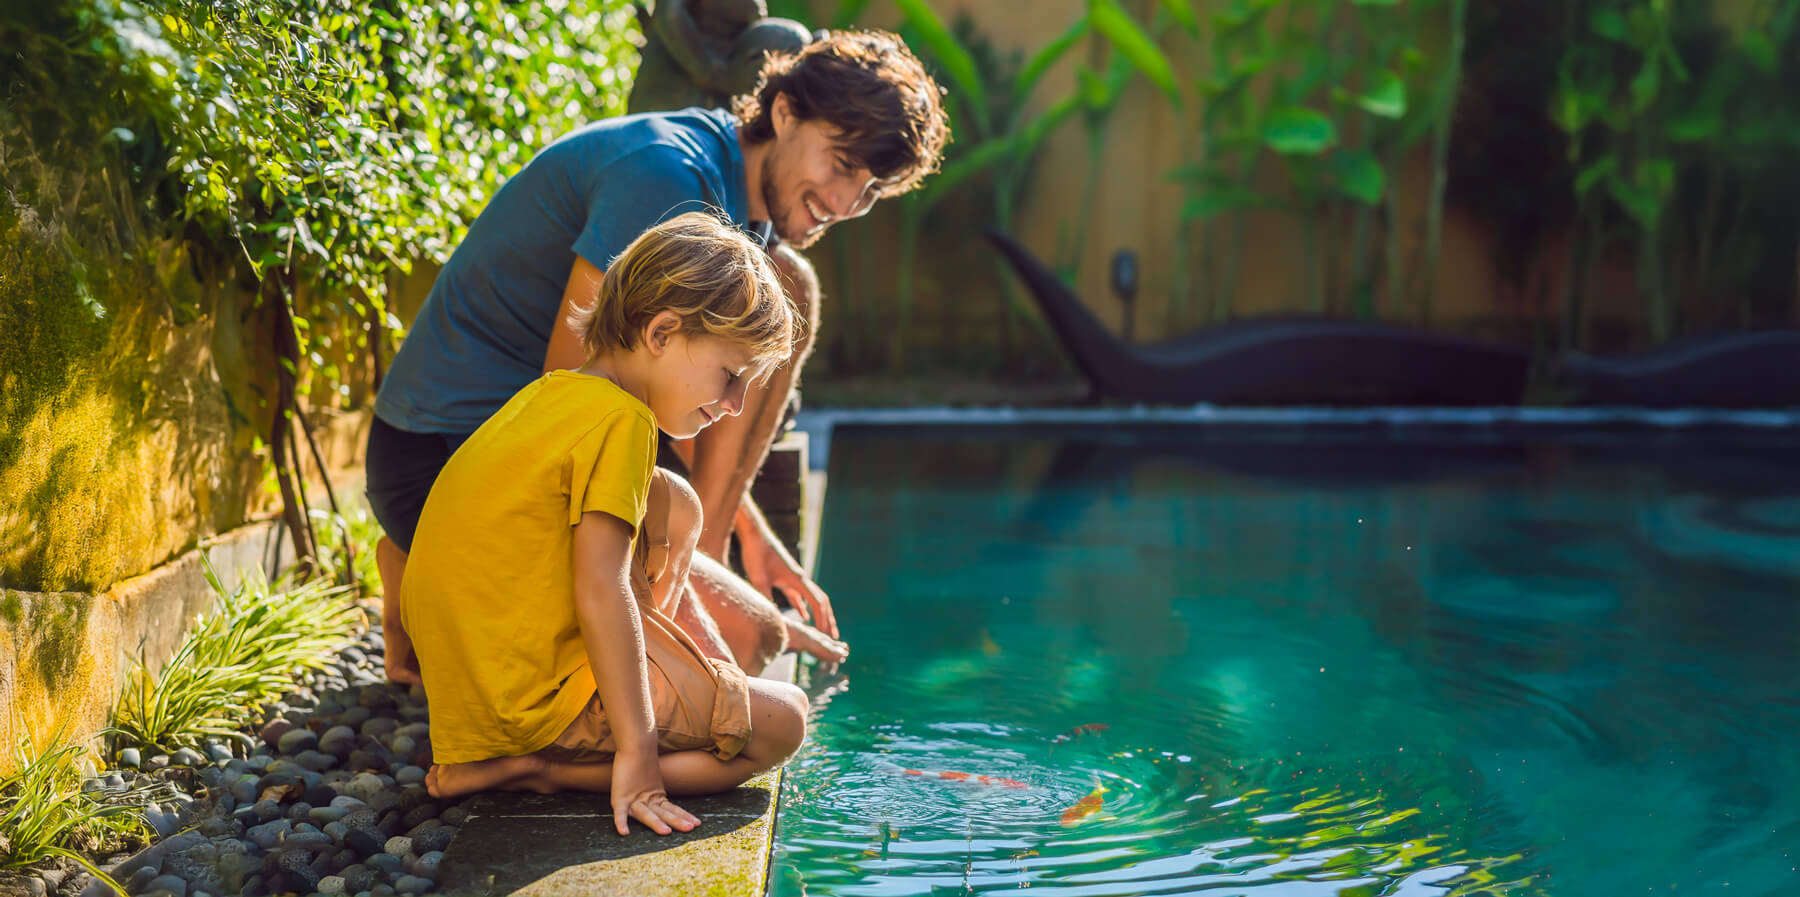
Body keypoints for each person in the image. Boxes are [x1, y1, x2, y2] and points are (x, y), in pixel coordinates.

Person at [366, 29, 950, 684]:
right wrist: (680, 577)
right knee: (744, 644)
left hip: (525, 444)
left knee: (786, 290)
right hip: (444, 458)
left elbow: (683, 395)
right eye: (843, 166)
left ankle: (704, 551)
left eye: (870, 191)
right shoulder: (666, 176)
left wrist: (744, 532)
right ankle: (434, 573)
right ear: (784, 112)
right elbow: (572, 389)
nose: (844, 206)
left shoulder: (744, 199)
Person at [409, 213, 807, 835]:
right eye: (731, 376)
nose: (733, 405)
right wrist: (640, 755)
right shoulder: (626, 423)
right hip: (533, 708)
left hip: (472, 694)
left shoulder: (551, 394)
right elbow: (602, 584)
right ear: (663, 332)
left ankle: (627, 693)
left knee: (674, 501)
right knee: (786, 719)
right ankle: (543, 769)